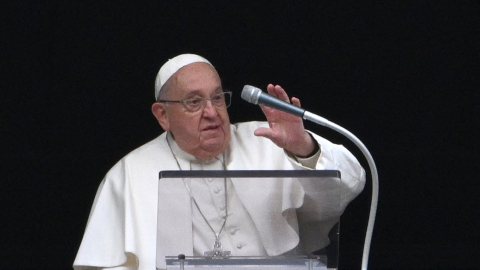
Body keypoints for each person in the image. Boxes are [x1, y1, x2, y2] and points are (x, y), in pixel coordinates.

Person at [73, 54, 365, 270]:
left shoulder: (268, 138)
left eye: (217, 97)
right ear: (162, 115)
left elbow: (351, 183)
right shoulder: (129, 173)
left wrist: (302, 147)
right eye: (194, 102)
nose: (212, 112)